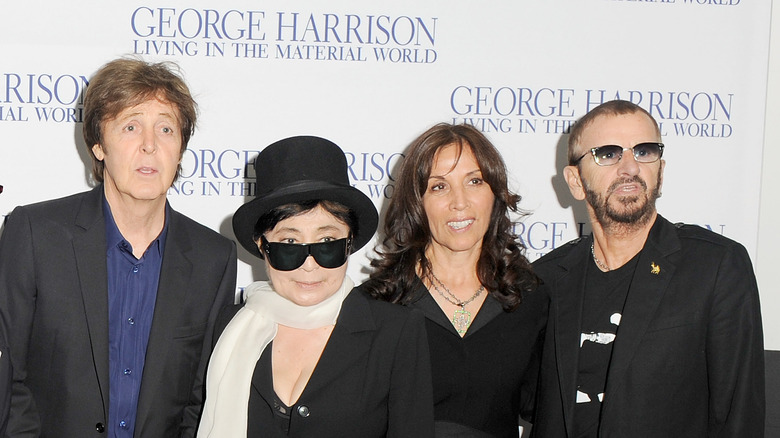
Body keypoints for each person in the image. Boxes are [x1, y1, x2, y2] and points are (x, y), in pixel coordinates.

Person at [0, 58, 237, 437]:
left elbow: (200, 399)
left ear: (179, 150)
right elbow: (9, 377)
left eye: (165, 128)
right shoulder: (34, 234)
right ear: (98, 144)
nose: (149, 145)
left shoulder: (214, 257)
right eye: (130, 126)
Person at [531, 99, 765, 437]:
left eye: (644, 151)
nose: (630, 167)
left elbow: (738, 415)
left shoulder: (714, 267)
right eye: (608, 154)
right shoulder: (547, 279)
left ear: (661, 169)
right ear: (576, 181)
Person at [197, 136, 434, 438]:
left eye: (326, 243)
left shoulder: (396, 333)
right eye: (289, 243)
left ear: (349, 243)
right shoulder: (228, 326)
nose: (309, 264)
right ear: (263, 247)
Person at [363, 123, 548, 437]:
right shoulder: (374, 305)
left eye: (475, 181)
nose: (459, 202)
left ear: (495, 193)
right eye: (439, 186)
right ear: (416, 202)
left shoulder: (531, 299)